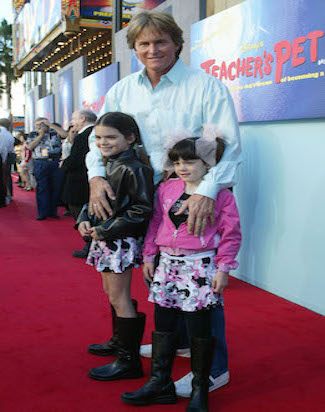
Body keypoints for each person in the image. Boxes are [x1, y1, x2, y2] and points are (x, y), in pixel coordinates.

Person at [85, 10, 241, 393]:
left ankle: (215, 368)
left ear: (177, 43)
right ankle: (180, 344)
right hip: (139, 194)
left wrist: (205, 193)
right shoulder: (123, 90)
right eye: (144, 43)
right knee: (161, 274)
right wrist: (95, 177)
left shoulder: (206, 86)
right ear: (134, 48)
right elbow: (97, 139)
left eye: (160, 41)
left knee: (200, 283)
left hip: (189, 195)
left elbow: (227, 145)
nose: (152, 49)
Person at [121, 128, 241, 411]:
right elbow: (155, 225)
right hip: (166, 265)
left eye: (189, 162)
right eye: (176, 163)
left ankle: (201, 387)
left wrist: (224, 268)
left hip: (200, 266)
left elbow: (232, 234)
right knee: (163, 323)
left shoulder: (219, 195)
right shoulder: (166, 188)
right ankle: (160, 382)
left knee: (199, 327)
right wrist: (149, 255)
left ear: (208, 164)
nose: (182, 168)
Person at [76, 112, 154, 382]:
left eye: (110, 137)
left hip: (118, 241)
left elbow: (141, 210)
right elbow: (94, 201)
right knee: (112, 294)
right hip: (106, 238)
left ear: (131, 138)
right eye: (98, 138)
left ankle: (128, 361)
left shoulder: (136, 168)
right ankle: (119, 342)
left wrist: (104, 229)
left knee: (118, 297)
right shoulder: (105, 166)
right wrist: (83, 220)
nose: (103, 143)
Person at [61, 109, 97, 258]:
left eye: (74, 119)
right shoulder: (92, 133)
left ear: (82, 118)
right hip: (87, 180)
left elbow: (76, 159)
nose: (71, 122)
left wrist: (64, 164)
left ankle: (90, 245)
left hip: (81, 182)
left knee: (82, 214)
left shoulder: (84, 136)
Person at [26, 117, 62, 220]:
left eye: (41, 125)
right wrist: (40, 135)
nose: (38, 127)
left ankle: (52, 211)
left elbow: (65, 135)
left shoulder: (54, 132)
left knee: (55, 187)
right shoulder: (33, 134)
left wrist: (51, 125)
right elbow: (29, 147)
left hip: (55, 162)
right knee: (42, 188)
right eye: (37, 125)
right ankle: (42, 212)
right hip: (40, 162)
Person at [0, 119, 15, 205]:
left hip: (5, 156)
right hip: (8, 155)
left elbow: (3, 148)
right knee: (7, 176)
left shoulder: (3, 133)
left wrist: (3, 160)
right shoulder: (8, 133)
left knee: (4, 177)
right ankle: (8, 195)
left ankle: (7, 195)